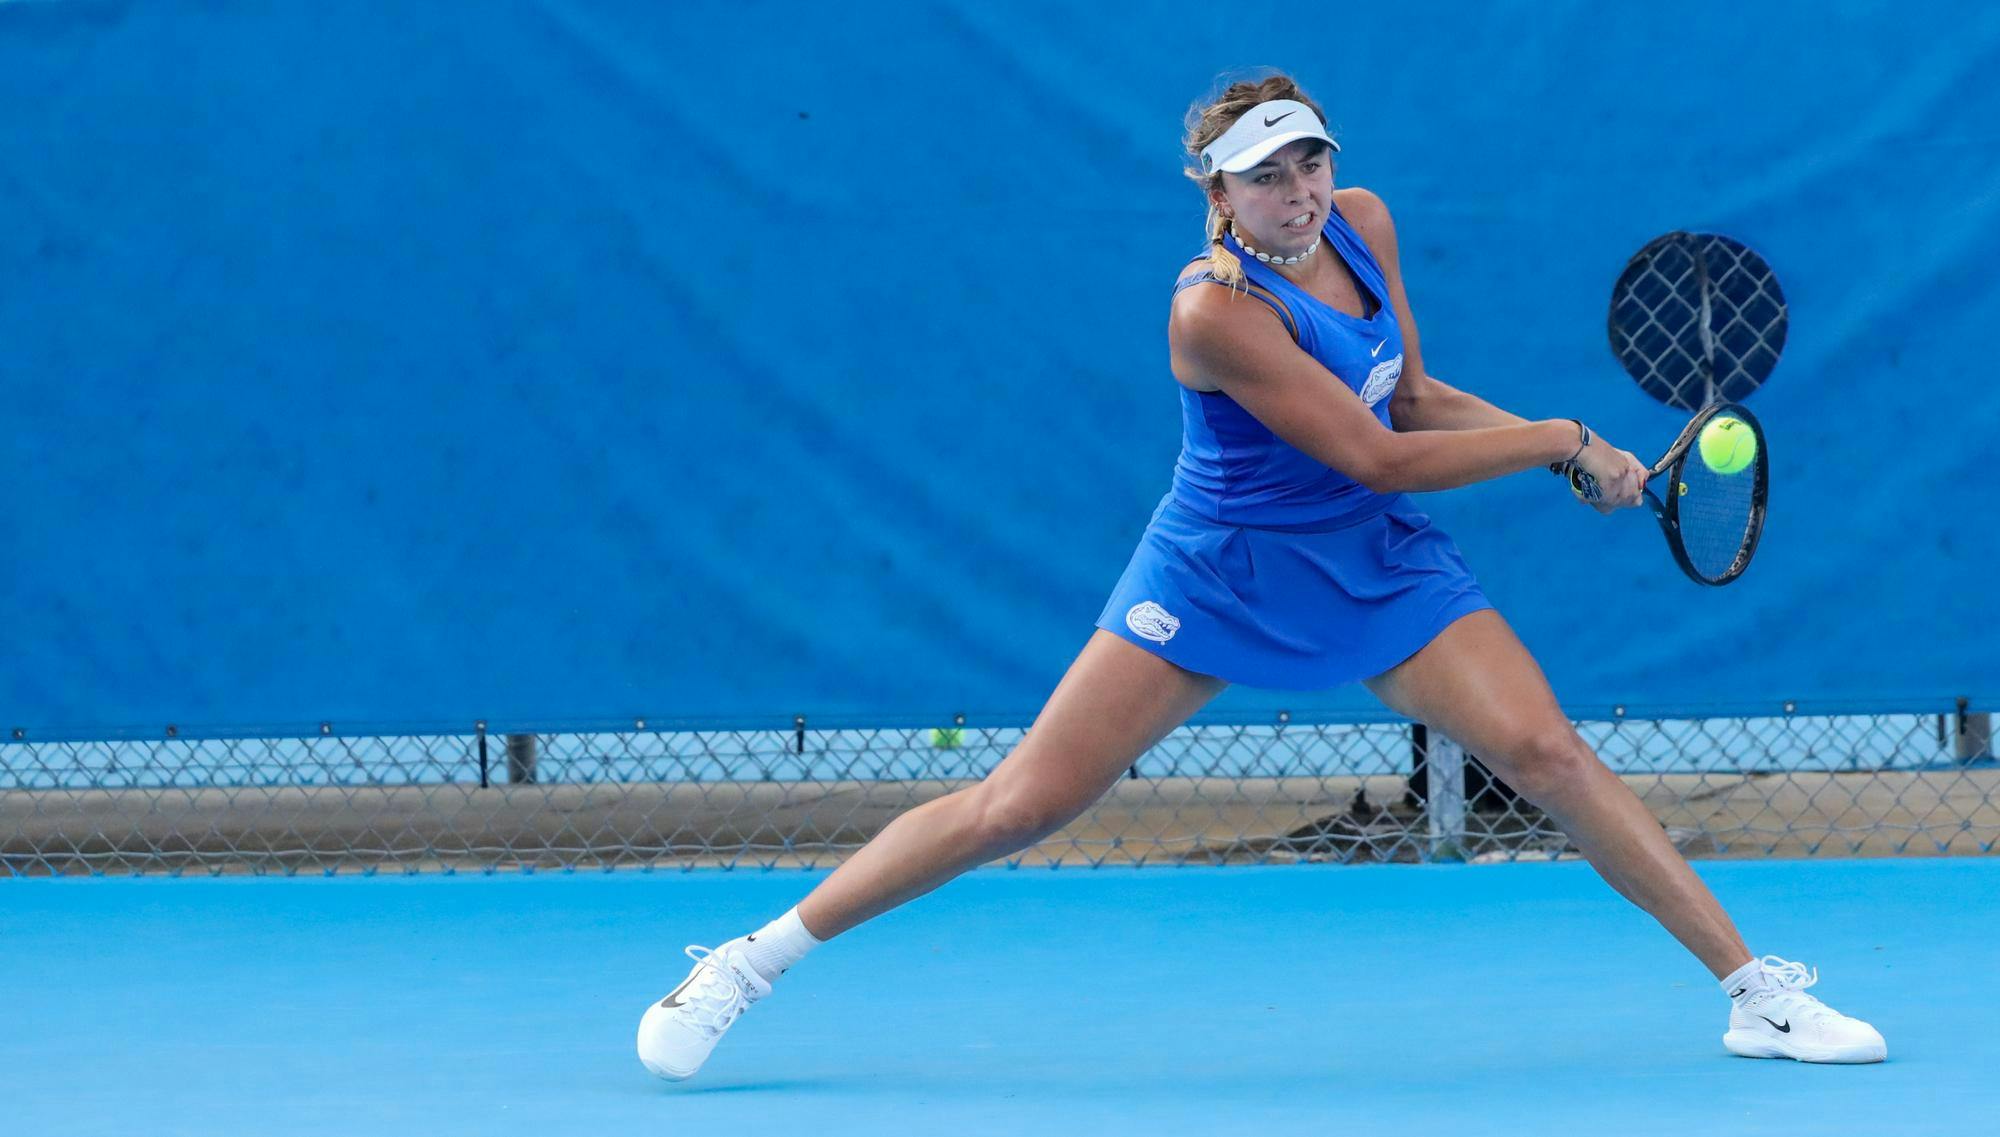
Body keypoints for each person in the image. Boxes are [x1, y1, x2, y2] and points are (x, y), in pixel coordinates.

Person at [636, 73, 1886, 1077]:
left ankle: (1751, 993)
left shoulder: (1365, 221)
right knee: (1020, 804)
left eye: (1309, 162)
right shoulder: (1211, 315)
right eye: (1265, 176)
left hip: (1377, 561)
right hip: (1222, 567)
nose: (1297, 191)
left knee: (1546, 752)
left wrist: (1584, 462)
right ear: (1215, 194)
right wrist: (1557, 437)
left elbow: (1408, 393)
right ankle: (747, 961)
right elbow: (1382, 455)